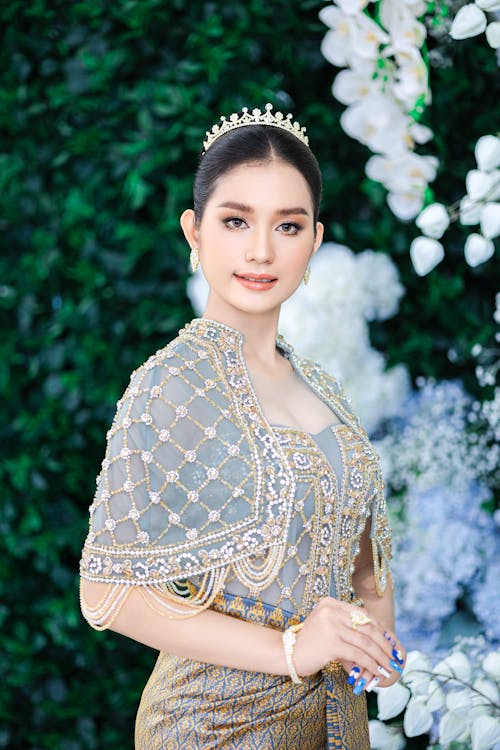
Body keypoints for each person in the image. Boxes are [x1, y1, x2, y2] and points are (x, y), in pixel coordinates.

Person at [79, 103, 406, 749]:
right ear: (194, 232)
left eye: (288, 225)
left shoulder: (321, 386)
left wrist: (374, 639)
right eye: (236, 221)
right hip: (213, 724)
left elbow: (362, 557)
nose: (261, 250)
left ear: (314, 240)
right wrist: (292, 647)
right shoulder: (173, 384)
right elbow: (106, 593)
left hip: (337, 720)